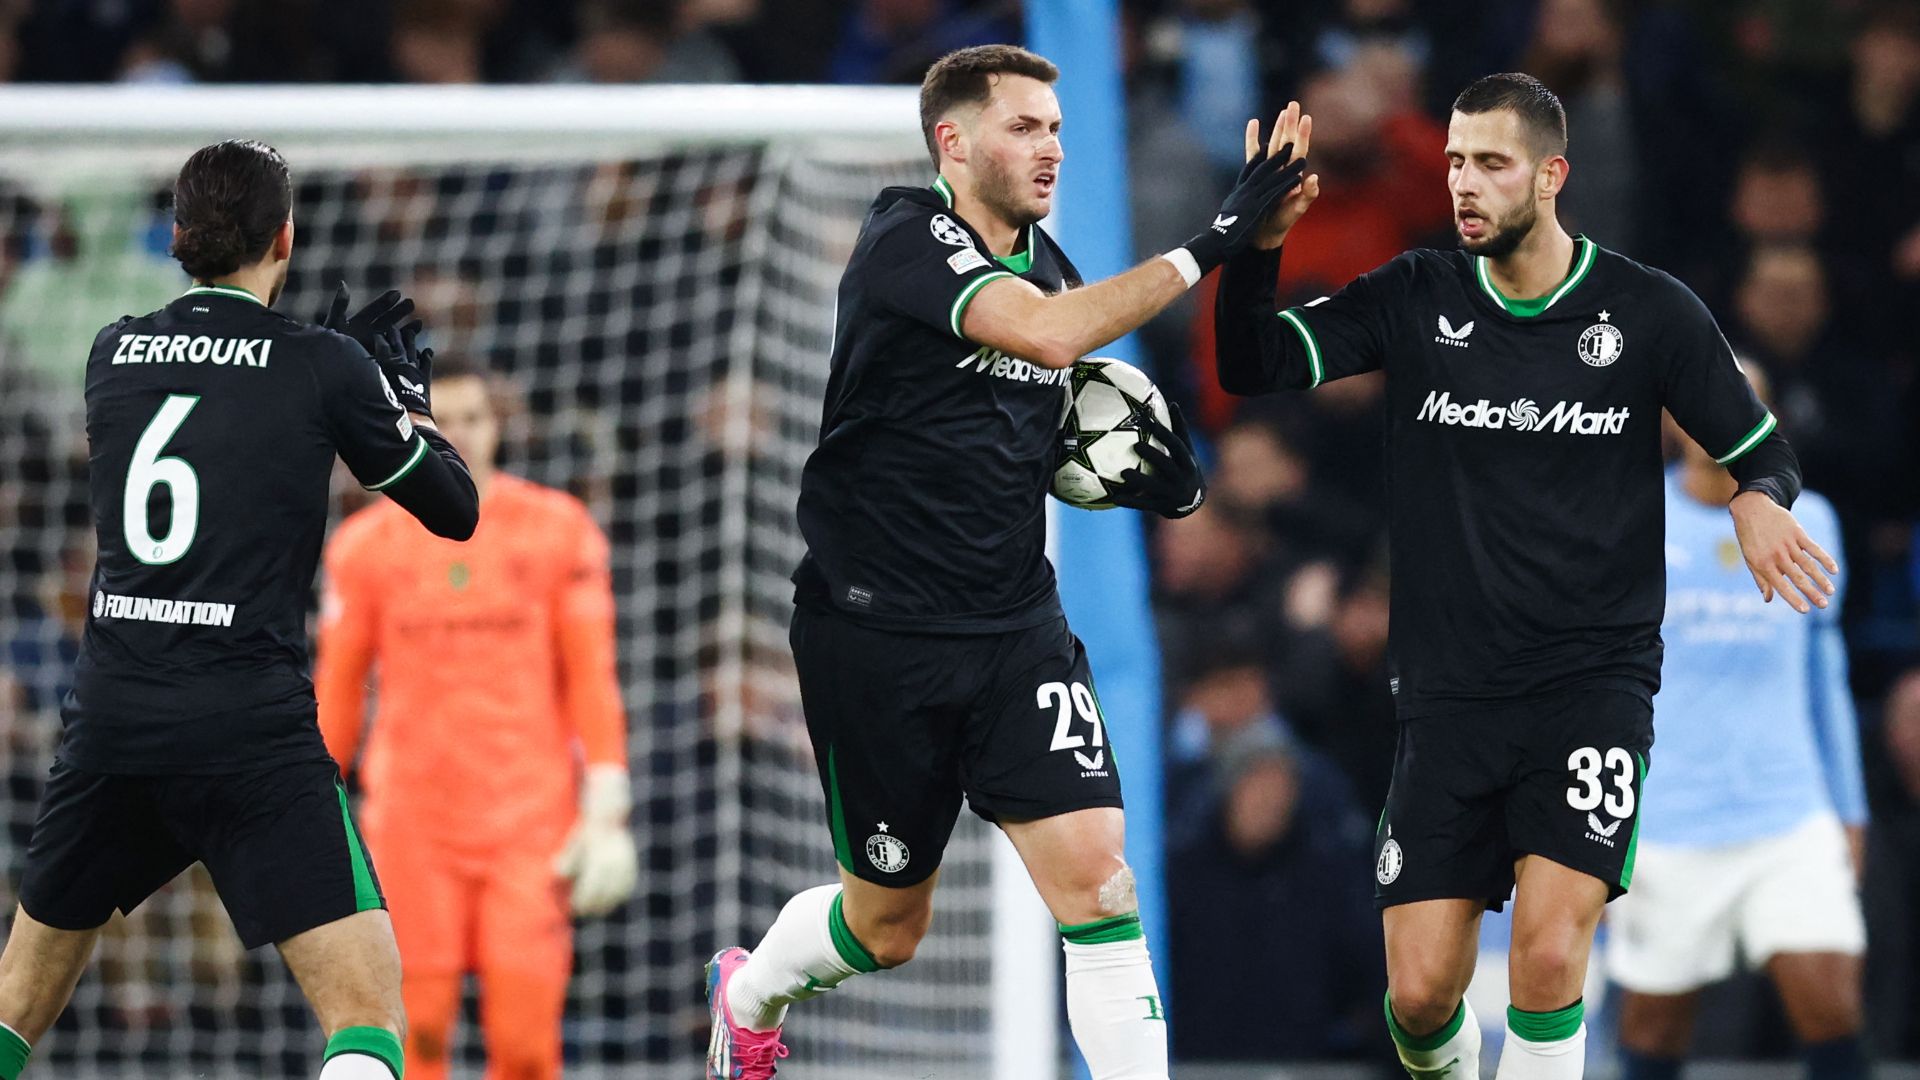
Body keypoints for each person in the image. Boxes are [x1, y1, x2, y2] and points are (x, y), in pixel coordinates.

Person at [705, 42, 1307, 1080]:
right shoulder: (904, 237)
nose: (1051, 150)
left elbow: (1073, 411)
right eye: (1025, 127)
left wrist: (1153, 475)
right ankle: (750, 992)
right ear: (955, 141)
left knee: (1099, 884)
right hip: (875, 636)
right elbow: (1040, 338)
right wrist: (1214, 238)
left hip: (1013, 631)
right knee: (887, 927)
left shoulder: (1056, 271)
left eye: (1058, 130)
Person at [1214, 75, 1831, 1079]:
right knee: (1417, 997)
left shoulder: (1647, 310)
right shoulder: (1415, 297)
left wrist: (1760, 499)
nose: (1465, 183)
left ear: (1551, 175)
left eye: (1491, 164)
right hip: (1448, 700)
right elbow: (1253, 364)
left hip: (1591, 689)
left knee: (1548, 957)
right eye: (1456, 160)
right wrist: (1261, 242)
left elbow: (1763, 450)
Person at [0, 139, 479, 1080]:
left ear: (177, 238)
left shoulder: (112, 353)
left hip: (115, 723)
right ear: (286, 239)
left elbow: (214, 406)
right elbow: (456, 510)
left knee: (16, 1002)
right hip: (246, 727)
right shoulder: (324, 366)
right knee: (368, 1015)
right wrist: (405, 406)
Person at [316, 357, 637, 1080]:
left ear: (496, 429)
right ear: (411, 431)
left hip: (529, 824)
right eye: (440, 422)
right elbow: (336, 691)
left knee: (526, 1047)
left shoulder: (559, 531)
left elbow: (592, 675)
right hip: (409, 827)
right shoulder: (364, 548)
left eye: (471, 419)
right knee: (414, 1035)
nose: (457, 435)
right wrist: (314, 806)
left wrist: (608, 802)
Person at [1609, 365, 1868, 1080]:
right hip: (1663, 824)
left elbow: (1825, 679)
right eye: (1699, 400)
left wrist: (1848, 810)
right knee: (1651, 1033)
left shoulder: (1811, 521)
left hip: (1788, 815)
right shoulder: (1631, 518)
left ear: (1767, 418)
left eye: (1739, 401)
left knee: (1833, 1008)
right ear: (1669, 419)